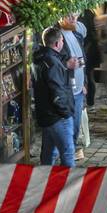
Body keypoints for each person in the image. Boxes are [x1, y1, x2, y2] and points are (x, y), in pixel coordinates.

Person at [32, 27, 75, 167]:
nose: (63, 43)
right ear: (57, 43)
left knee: (48, 154)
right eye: (62, 40)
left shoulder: (39, 59)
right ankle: (70, 185)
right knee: (67, 154)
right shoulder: (52, 62)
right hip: (57, 117)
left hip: (46, 115)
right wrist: (66, 113)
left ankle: (44, 182)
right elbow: (57, 91)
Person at [59, 14, 90, 158]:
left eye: (75, 14)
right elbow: (48, 61)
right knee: (66, 128)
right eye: (68, 15)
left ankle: (70, 154)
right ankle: (66, 159)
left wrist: (84, 83)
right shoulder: (55, 36)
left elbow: (83, 60)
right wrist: (66, 65)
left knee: (76, 127)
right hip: (65, 91)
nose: (73, 18)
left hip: (78, 90)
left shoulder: (76, 34)